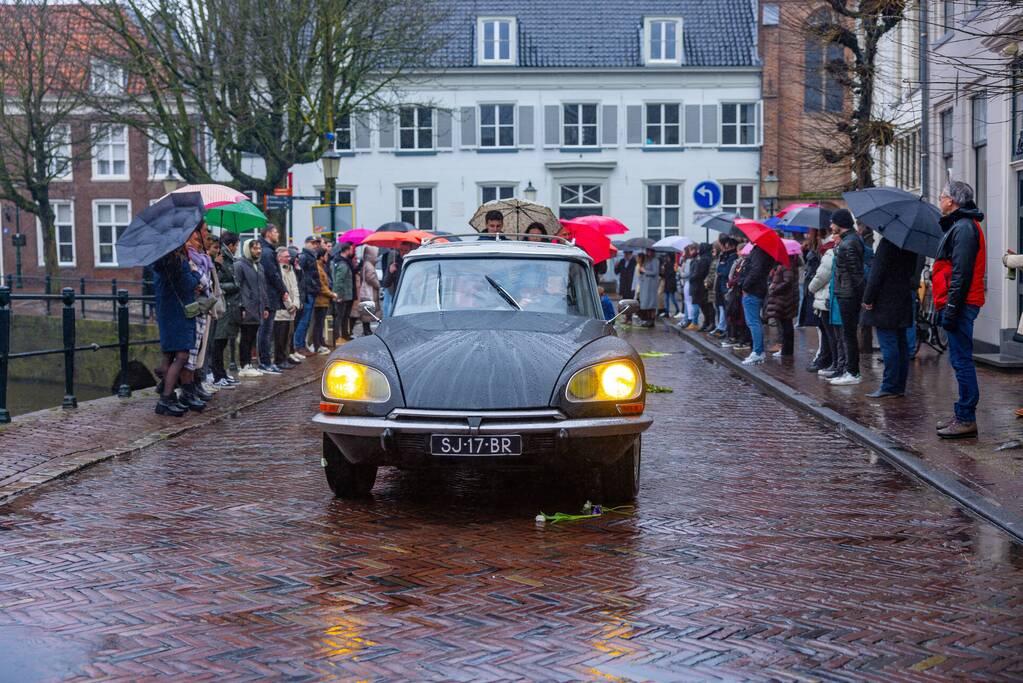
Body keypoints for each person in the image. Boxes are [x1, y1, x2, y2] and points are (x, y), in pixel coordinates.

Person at [934, 180, 986, 438]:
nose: (939, 200)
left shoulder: (964, 228)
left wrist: (951, 309)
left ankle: (966, 418)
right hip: (958, 303)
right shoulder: (961, 226)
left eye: (941, 196)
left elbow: (961, 274)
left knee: (962, 361)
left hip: (960, 304)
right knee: (959, 360)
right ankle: (962, 414)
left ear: (952, 201)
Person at [861, 236, 917, 398]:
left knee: (889, 344)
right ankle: (899, 385)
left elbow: (877, 272)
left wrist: (868, 298)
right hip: (903, 298)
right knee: (901, 343)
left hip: (885, 301)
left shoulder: (887, 243)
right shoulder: (911, 245)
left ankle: (889, 386)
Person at [152, 246, 201, 416]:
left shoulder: (160, 260)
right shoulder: (177, 261)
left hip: (166, 312)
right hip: (179, 313)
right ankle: (165, 399)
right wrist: (195, 273)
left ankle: (169, 396)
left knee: (169, 355)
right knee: (182, 355)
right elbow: (188, 284)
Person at [829, 208, 865, 385]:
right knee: (847, 333)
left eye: (833, 222)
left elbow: (855, 273)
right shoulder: (849, 241)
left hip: (848, 294)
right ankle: (851, 370)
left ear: (840, 224)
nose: (831, 226)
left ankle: (852, 371)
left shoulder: (848, 243)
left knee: (848, 333)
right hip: (846, 292)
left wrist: (862, 297)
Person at [809, 232, 842, 378]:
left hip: (826, 297)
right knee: (833, 334)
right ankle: (834, 363)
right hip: (830, 296)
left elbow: (821, 275)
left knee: (830, 334)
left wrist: (810, 287)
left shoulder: (831, 253)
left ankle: (834, 364)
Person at [234, 238, 269, 378]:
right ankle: (244, 365)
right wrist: (241, 307)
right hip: (247, 306)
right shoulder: (240, 265)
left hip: (258, 307)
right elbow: (238, 287)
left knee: (252, 336)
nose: (258, 251)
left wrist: (265, 306)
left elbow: (263, 288)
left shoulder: (259, 266)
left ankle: (249, 363)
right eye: (254, 248)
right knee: (246, 337)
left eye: (259, 248)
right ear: (248, 249)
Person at [210, 232, 241, 388]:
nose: (237, 249)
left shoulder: (228, 260)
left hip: (229, 305)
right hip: (222, 305)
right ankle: (217, 375)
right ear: (231, 245)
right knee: (218, 341)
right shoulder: (221, 260)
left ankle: (221, 372)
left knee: (222, 341)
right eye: (236, 245)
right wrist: (235, 286)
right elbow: (217, 283)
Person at [257, 225, 288, 374]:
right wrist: (283, 290)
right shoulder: (268, 252)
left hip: (269, 295)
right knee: (266, 331)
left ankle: (265, 360)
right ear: (268, 233)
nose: (278, 234)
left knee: (266, 330)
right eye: (276, 231)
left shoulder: (267, 250)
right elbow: (273, 274)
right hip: (269, 296)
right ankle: (265, 361)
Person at [738, 241, 773, 365]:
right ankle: (759, 351)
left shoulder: (759, 251)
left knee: (753, 322)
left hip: (752, 290)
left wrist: (745, 286)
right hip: (756, 289)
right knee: (754, 322)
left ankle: (757, 352)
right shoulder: (764, 250)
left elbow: (755, 271)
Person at [766, 253, 798, 358]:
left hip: (784, 299)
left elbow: (787, 281)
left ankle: (786, 351)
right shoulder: (786, 264)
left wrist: (774, 289)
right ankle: (786, 350)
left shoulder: (786, 264)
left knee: (786, 325)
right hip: (785, 299)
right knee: (785, 325)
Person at [293, 236, 321, 355]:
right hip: (307, 292)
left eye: (316, 243)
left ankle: (301, 344)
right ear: (306, 243)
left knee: (307, 320)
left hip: (311, 291)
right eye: (312, 243)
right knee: (304, 321)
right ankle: (299, 345)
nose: (315, 245)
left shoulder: (310, 256)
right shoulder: (304, 257)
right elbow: (299, 275)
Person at [274, 246, 301, 369]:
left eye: (289, 256)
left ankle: (286, 356)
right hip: (283, 309)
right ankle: (280, 359)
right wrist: (290, 305)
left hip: (292, 309)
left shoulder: (291, 270)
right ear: (279, 258)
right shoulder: (279, 271)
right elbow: (282, 289)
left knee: (289, 335)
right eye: (286, 256)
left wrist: (296, 303)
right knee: (281, 336)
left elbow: (295, 288)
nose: (289, 258)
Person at [312, 248, 337, 353]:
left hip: (324, 300)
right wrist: (332, 294)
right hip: (320, 301)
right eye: (326, 256)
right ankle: (317, 345)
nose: (327, 258)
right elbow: (321, 285)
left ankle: (319, 343)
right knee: (318, 324)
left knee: (320, 324)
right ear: (321, 257)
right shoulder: (318, 267)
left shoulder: (322, 267)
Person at [331, 241, 357, 341]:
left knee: (344, 316)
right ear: (347, 250)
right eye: (351, 249)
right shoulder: (342, 264)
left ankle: (345, 335)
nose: (353, 251)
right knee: (340, 316)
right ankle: (337, 337)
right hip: (343, 295)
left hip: (347, 294)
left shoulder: (344, 262)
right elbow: (339, 281)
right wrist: (338, 295)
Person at [714, 237, 738, 337]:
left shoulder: (732, 256)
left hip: (726, 286)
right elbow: (719, 269)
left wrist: (721, 270)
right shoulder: (724, 255)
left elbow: (725, 271)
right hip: (721, 285)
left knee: (728, 310)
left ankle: (728, 332)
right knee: (722, 308)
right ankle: (722, 328)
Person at [358, 245, 382, 336]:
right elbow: (370, 278)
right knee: (368, 311)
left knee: (366, 311)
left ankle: (366, 329)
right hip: (369, 292)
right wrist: (378, 284)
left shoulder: (366, 264)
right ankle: (367, 330)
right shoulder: (369, 266)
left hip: (366, 291)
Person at [691, 243, 712, 331]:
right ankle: (707, 322)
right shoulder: (708, 258)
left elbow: (698, 274)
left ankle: (708, 322)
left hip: (701, 286)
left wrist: (692, 278)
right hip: (703, 285)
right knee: (706, 306)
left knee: (705, 306)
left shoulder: (703, 260)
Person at [637, 248, 660, 327]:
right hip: (645, 285)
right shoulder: (646, 260)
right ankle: (647, 319)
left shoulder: (655, 260)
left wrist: (644, 271)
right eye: (647, 251)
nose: (648, 253)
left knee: (651, 303)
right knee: (646, 303)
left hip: (651, 285)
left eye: (649, 251)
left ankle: (652, 320)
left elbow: (655, 272)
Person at [614, 250, 637, 323]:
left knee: (630, 302)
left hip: (631, 284)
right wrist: (616, 266)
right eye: (625, 254)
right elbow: (617, 272)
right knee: (625, 301)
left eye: (627, 254)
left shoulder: (634, 262)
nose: (626, 255)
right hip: (623, 284)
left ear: (631, 254)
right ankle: (626, 317)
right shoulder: (622, 261)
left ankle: (630, 318)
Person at [660, 253, 680, 319]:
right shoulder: (666, 264)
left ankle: (677, 310)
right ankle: (667, 312)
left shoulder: (673, 264)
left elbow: (669, 274)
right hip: (668, 283)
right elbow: (663, 274)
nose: (667, 258)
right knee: (666, 298)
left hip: (671, 283)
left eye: (668, 257)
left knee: (672, 298)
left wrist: (664, 270)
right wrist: (663, 269)